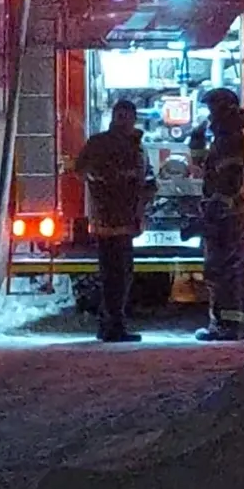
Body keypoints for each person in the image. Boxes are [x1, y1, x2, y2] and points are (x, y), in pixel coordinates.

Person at [75, 100, 157, 342]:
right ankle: (112, 326)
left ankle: (113, 324)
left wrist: (147, 193)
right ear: (114, 117)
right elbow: (81, 170)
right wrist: (108, 179)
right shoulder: (100, 143)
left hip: (126, 220)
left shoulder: (137, 147)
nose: (124, 120)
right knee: (114, 276)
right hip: (108, 220)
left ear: (133, 119)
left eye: (128, 116)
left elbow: (146, 176)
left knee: (122, 276)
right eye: (120, 116)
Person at [189, 88, 244, 341]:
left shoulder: (229, 139)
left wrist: (214, 212)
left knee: (221, 270)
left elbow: (229, 179)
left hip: (227, 216)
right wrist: (196, 142)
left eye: (211, 109)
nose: (209, 116)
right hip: (232, 213)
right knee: (236, 269)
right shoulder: (227, 137)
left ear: (221, 109)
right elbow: (206, 167)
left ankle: (226, 326)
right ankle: (242, 324)